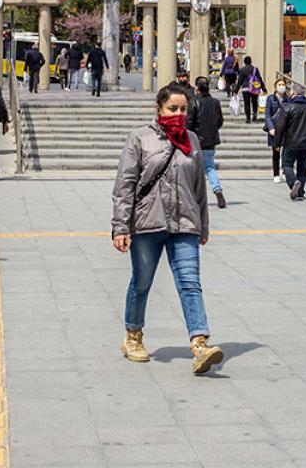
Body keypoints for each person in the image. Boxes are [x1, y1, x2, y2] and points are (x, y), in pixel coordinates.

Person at [111, 83, 224, 375]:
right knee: (142, 282)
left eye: (183, 109)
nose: (178, 114)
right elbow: (125, 185)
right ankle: (133, 336)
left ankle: (200, 343)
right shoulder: (140, 138)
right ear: (159, 108)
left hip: (185, 222)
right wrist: (120, 227)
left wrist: (203, 224)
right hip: (147, 224)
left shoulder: (193, 140)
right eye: (172, 108)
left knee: (190, 282)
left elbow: (199, 187)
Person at [273, 87, 306, 201]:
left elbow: (280, 127)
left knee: (287, 165)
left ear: (293, 94)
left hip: (291, 143)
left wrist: (277, 143)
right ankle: (300, 193)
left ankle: (294, 184)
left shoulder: (287, 107)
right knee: (302, 169)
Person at [187, 76, 226, 208]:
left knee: (194, 170)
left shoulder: (193, 102)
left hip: (196, 141)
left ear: (197, 88)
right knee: (210, 168)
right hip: (210, 141)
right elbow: (220, 121)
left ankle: (194, 196)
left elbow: (189, 123)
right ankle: (218, 191)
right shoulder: (215, 102)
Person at [263, 78, 289, 184]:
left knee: (286, 152)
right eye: (279, 85)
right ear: (275, 87)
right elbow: (267, 114)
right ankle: (276, 174)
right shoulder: (271, 98)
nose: (281, 86)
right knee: (276, 152)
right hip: (274, 129)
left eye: (283, 84)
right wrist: (270, 128)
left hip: (286, 129)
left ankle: (285, 171)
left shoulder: (288, 99)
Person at [236, 55, 263, 123]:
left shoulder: (242, 70)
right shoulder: (255, 69)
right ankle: (254, 114)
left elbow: (239, 81)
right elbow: (259, 79)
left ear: (244, 62)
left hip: (245, 88)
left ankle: (248, 118)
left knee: (246, 103)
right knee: (254, 102)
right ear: (251, 61)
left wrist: (236, 90)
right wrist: (263, 88)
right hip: (254, 88)